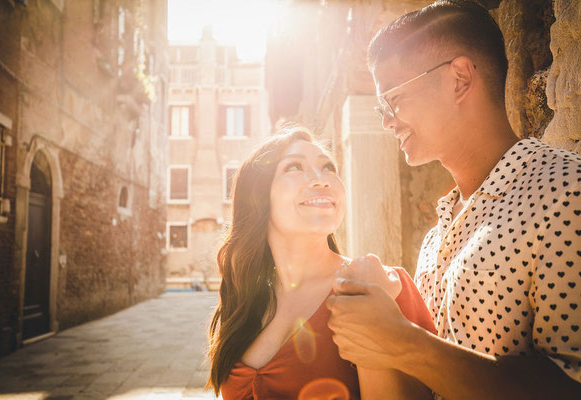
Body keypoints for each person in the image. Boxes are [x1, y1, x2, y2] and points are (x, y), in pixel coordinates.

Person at [326, 1, 581, 399]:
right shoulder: (436, 238)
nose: (387, 121)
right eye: (379, 108)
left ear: (459, 78)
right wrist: (372, 343)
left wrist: (403, 342)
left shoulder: (566, 190)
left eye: (392, 99)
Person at [207, 127, 436, 399]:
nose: (322, 179)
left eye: (328, 167)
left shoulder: (383, 285)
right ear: (258, 196)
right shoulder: (245, 298)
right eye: (294, 167)